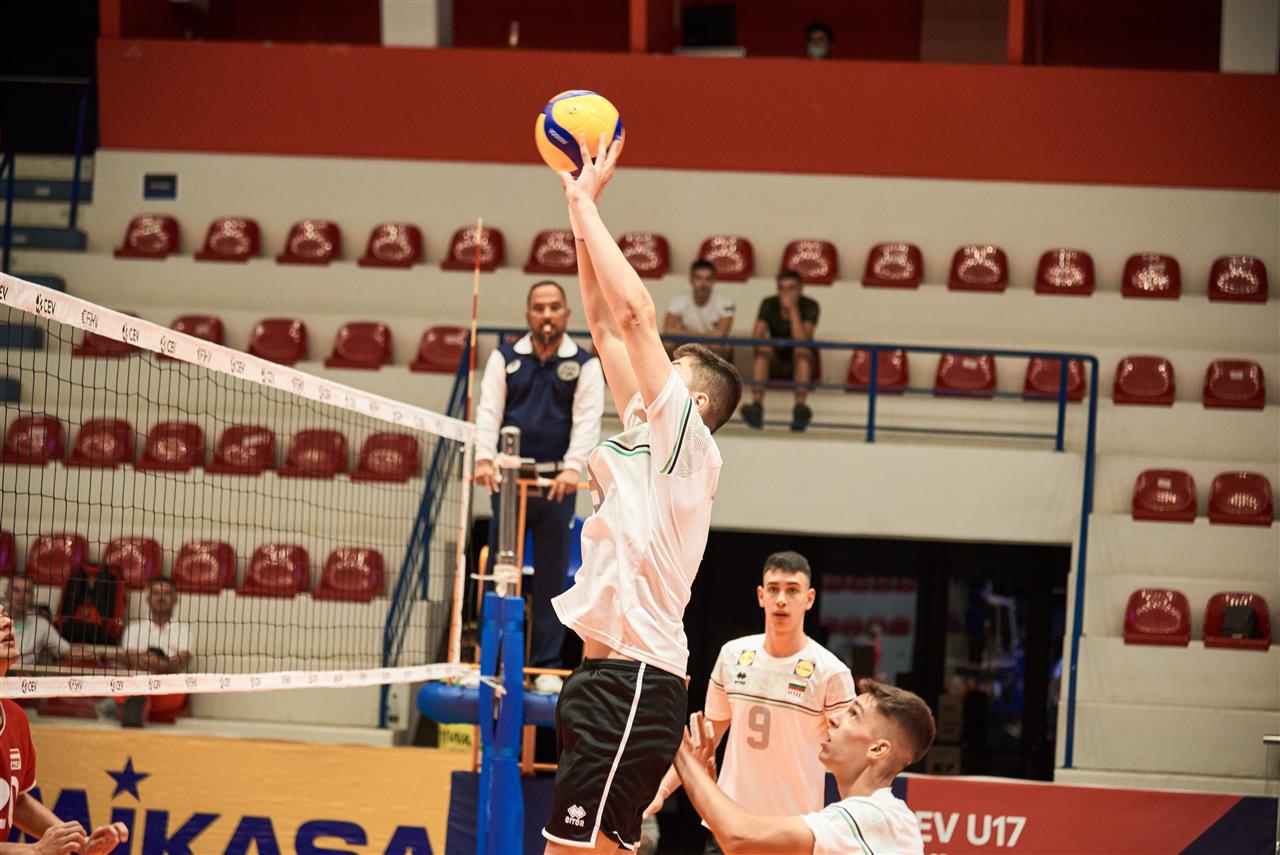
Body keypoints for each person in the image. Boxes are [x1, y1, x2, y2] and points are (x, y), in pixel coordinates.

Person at [542, 133, 743, 853]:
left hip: (631, 681)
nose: (650, 366)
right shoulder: (645, 432)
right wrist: (578, 217)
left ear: (694, 400)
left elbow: (634, 318)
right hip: (610, 680)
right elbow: (604, 324)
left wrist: (588, 206)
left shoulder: (689, 444)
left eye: (670, 367)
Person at [645, 551, 855, 851]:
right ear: (761, 595)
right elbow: (706, 740)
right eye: (773, 589)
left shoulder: (831, 672)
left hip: (792, 831)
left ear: (809, 599)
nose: (781, 599)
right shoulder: (733, 655)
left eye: (792, 590)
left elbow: (851, 758)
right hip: (728, 825)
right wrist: (662, 792)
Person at [474, 279, 605, 692]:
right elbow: (488, 411)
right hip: (510, 482)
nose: (546, 314)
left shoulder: (585, 364)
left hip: (555, 485)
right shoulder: (505, 357)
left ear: (566, 314)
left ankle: (546, 664)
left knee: (551, 577)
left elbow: (587, 421)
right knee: (501, 573)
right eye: (539, 307)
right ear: (528, 314)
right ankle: (492, 658)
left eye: (553, 307)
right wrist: (483, 458)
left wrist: (572, 468)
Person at [674, 681, 936, 855]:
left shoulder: (872, 817)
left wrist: (672, 736)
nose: (834, 719)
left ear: (878, 749)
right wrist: (706, 783)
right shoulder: (880, 817)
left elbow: (740, 838)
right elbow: (746, 844)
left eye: (853, 714)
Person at [0, 604, 129, 854]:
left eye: (5, 615)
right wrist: (36, 851)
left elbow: (17, 801)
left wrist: (81, 844)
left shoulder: (15, 717)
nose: (7, 623)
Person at [740, 270, 820, 432]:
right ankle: (756, 406)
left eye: (791, 288)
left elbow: (803, 341)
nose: (786, 293)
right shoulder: (769, 303)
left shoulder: (811, 306)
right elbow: (756, 337)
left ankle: (800, 409)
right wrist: (768, 343)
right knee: (762, 353)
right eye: (782, 288)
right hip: (774, 358)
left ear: (800, 289)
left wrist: (793, 311)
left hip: (797, 360)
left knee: (802, 354)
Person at [112, 577, 193, 726]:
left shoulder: (184, 630)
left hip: (167, 690)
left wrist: (149, 660)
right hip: (136, 682)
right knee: (134, 677)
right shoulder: (134, 628)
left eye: (166, 593)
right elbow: (130, 659)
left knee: (138, 678)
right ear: (148, 598)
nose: (161, 597)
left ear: (176, 599)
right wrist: (159, 661)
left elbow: (179, 663)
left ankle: (128, 706)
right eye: (156, 593)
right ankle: (136, 705)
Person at [663, 260, 735, 359]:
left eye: (708, 279)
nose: (703, 284)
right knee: (667, 343)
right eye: (698, 278)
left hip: (710, 345)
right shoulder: (678, 301)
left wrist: (684, 332)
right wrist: (702, 336)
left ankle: (715, 370)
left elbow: (719, 334)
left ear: (714, 281)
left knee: (716, 345)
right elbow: (669, 330)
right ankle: (675, 369)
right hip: (688, 344)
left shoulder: (727, 303)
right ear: (691, 280)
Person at [6, 576, 75, 668]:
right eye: (16, 590)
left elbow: (67, 651)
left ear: (32, 597)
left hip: (22, 675)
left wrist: (94, 652)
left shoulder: (41, 625)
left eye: (27, 592)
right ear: (6, 593)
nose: (21, 596)